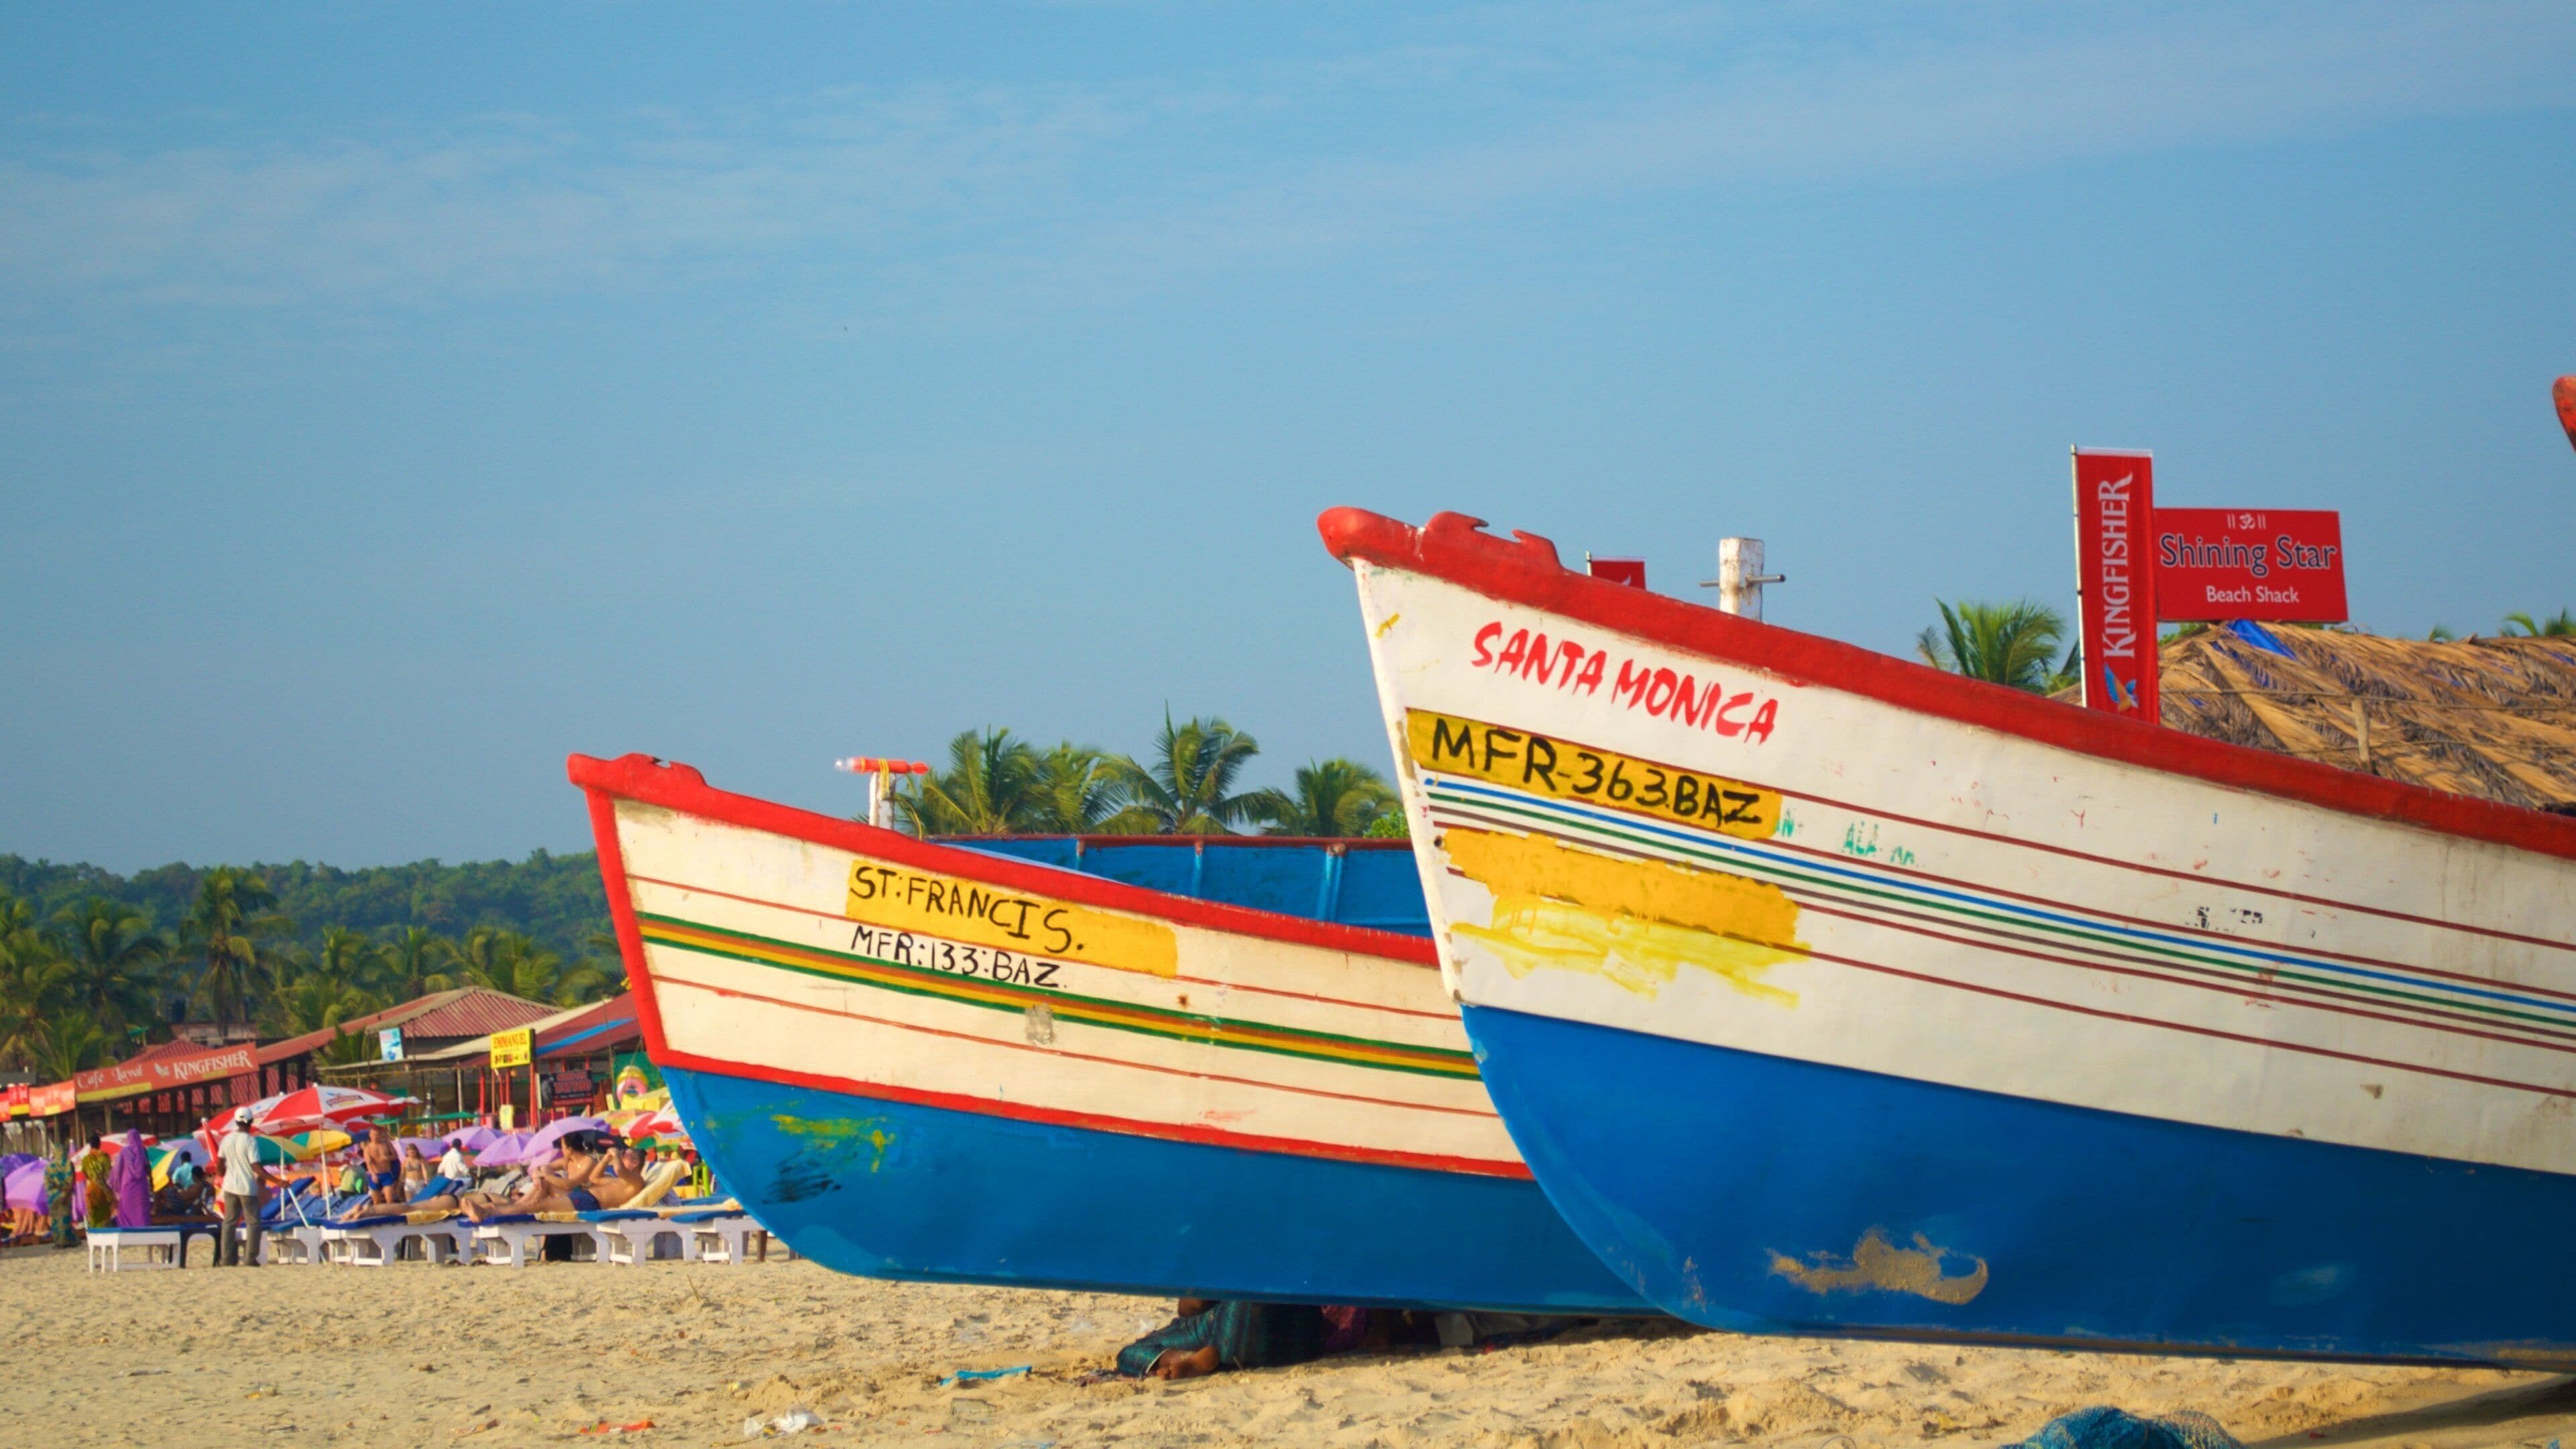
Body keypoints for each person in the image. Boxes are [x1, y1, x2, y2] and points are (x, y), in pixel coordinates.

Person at [1114, 1300, 1330, 1380]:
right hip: (1304, 1342)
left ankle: (1189, 1359)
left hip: (1237, 1327)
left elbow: (1195, 1305)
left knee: (1129, 1355)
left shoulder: (1228, 1231)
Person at [215, 1112, 266, 1267]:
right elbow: (255, 1165)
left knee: (229, 1222)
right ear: (251, 1122)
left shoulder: (227, 1139)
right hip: (247, 1187)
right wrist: (274, 1179)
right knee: (253, 1222)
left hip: (230, 1186)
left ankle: (226, 1259)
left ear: (236, 1122)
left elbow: (219, 1163)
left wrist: (222, 1173)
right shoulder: (250, 1141)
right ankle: (250, 1258)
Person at [110, 1129, 152, 1228]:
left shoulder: (124, 1151)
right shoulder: (143, 1151)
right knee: (141, 1211)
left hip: (127, 1186)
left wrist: (114, 1183)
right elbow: (148, 1168)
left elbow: (118, 1170)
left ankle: (127, 1231)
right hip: (141, 1187)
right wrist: (152, 1182)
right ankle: (144, 1231)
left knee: (127, 1210)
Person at [76, 1134, 113, 1229]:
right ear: (100, 1144)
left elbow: (85, 1175)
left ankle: (95, 1235)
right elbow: (109, 1174)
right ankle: (105, 1236)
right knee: (104, 1214)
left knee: (93, 1214)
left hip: (91, 1190)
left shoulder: (86, 1159)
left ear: (90, 1145)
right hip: (103, 1190)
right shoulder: (105, 1157)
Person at [361, 1128, 402, 1205]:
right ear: (370, 1135)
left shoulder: (386, 1144)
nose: (375, 1136)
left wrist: (387, 1158)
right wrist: (373, 1175)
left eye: (377, 1134)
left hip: (386, 1174)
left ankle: (391, 1215)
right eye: (373, 1134)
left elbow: (396, 1156)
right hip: (374, 1175)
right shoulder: (368, 1148)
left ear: (380, 1135)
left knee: (390, 1200)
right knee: (376, 1201)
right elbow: (368, 1163)